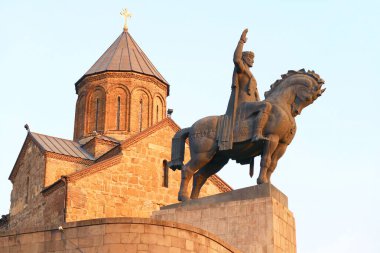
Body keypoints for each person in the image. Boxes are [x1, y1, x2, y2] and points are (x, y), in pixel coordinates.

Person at [218, 29, 271, 150]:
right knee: (265, 106)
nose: (252, 60)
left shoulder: (251, 75)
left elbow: (256, 95)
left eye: (253, 58)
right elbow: (236, 59)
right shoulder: (241, 69)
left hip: (251, 104)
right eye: (249, 57)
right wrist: (241, 41)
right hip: (243, 106)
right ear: (244, 58)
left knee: (266, 107)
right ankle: (257, 133)